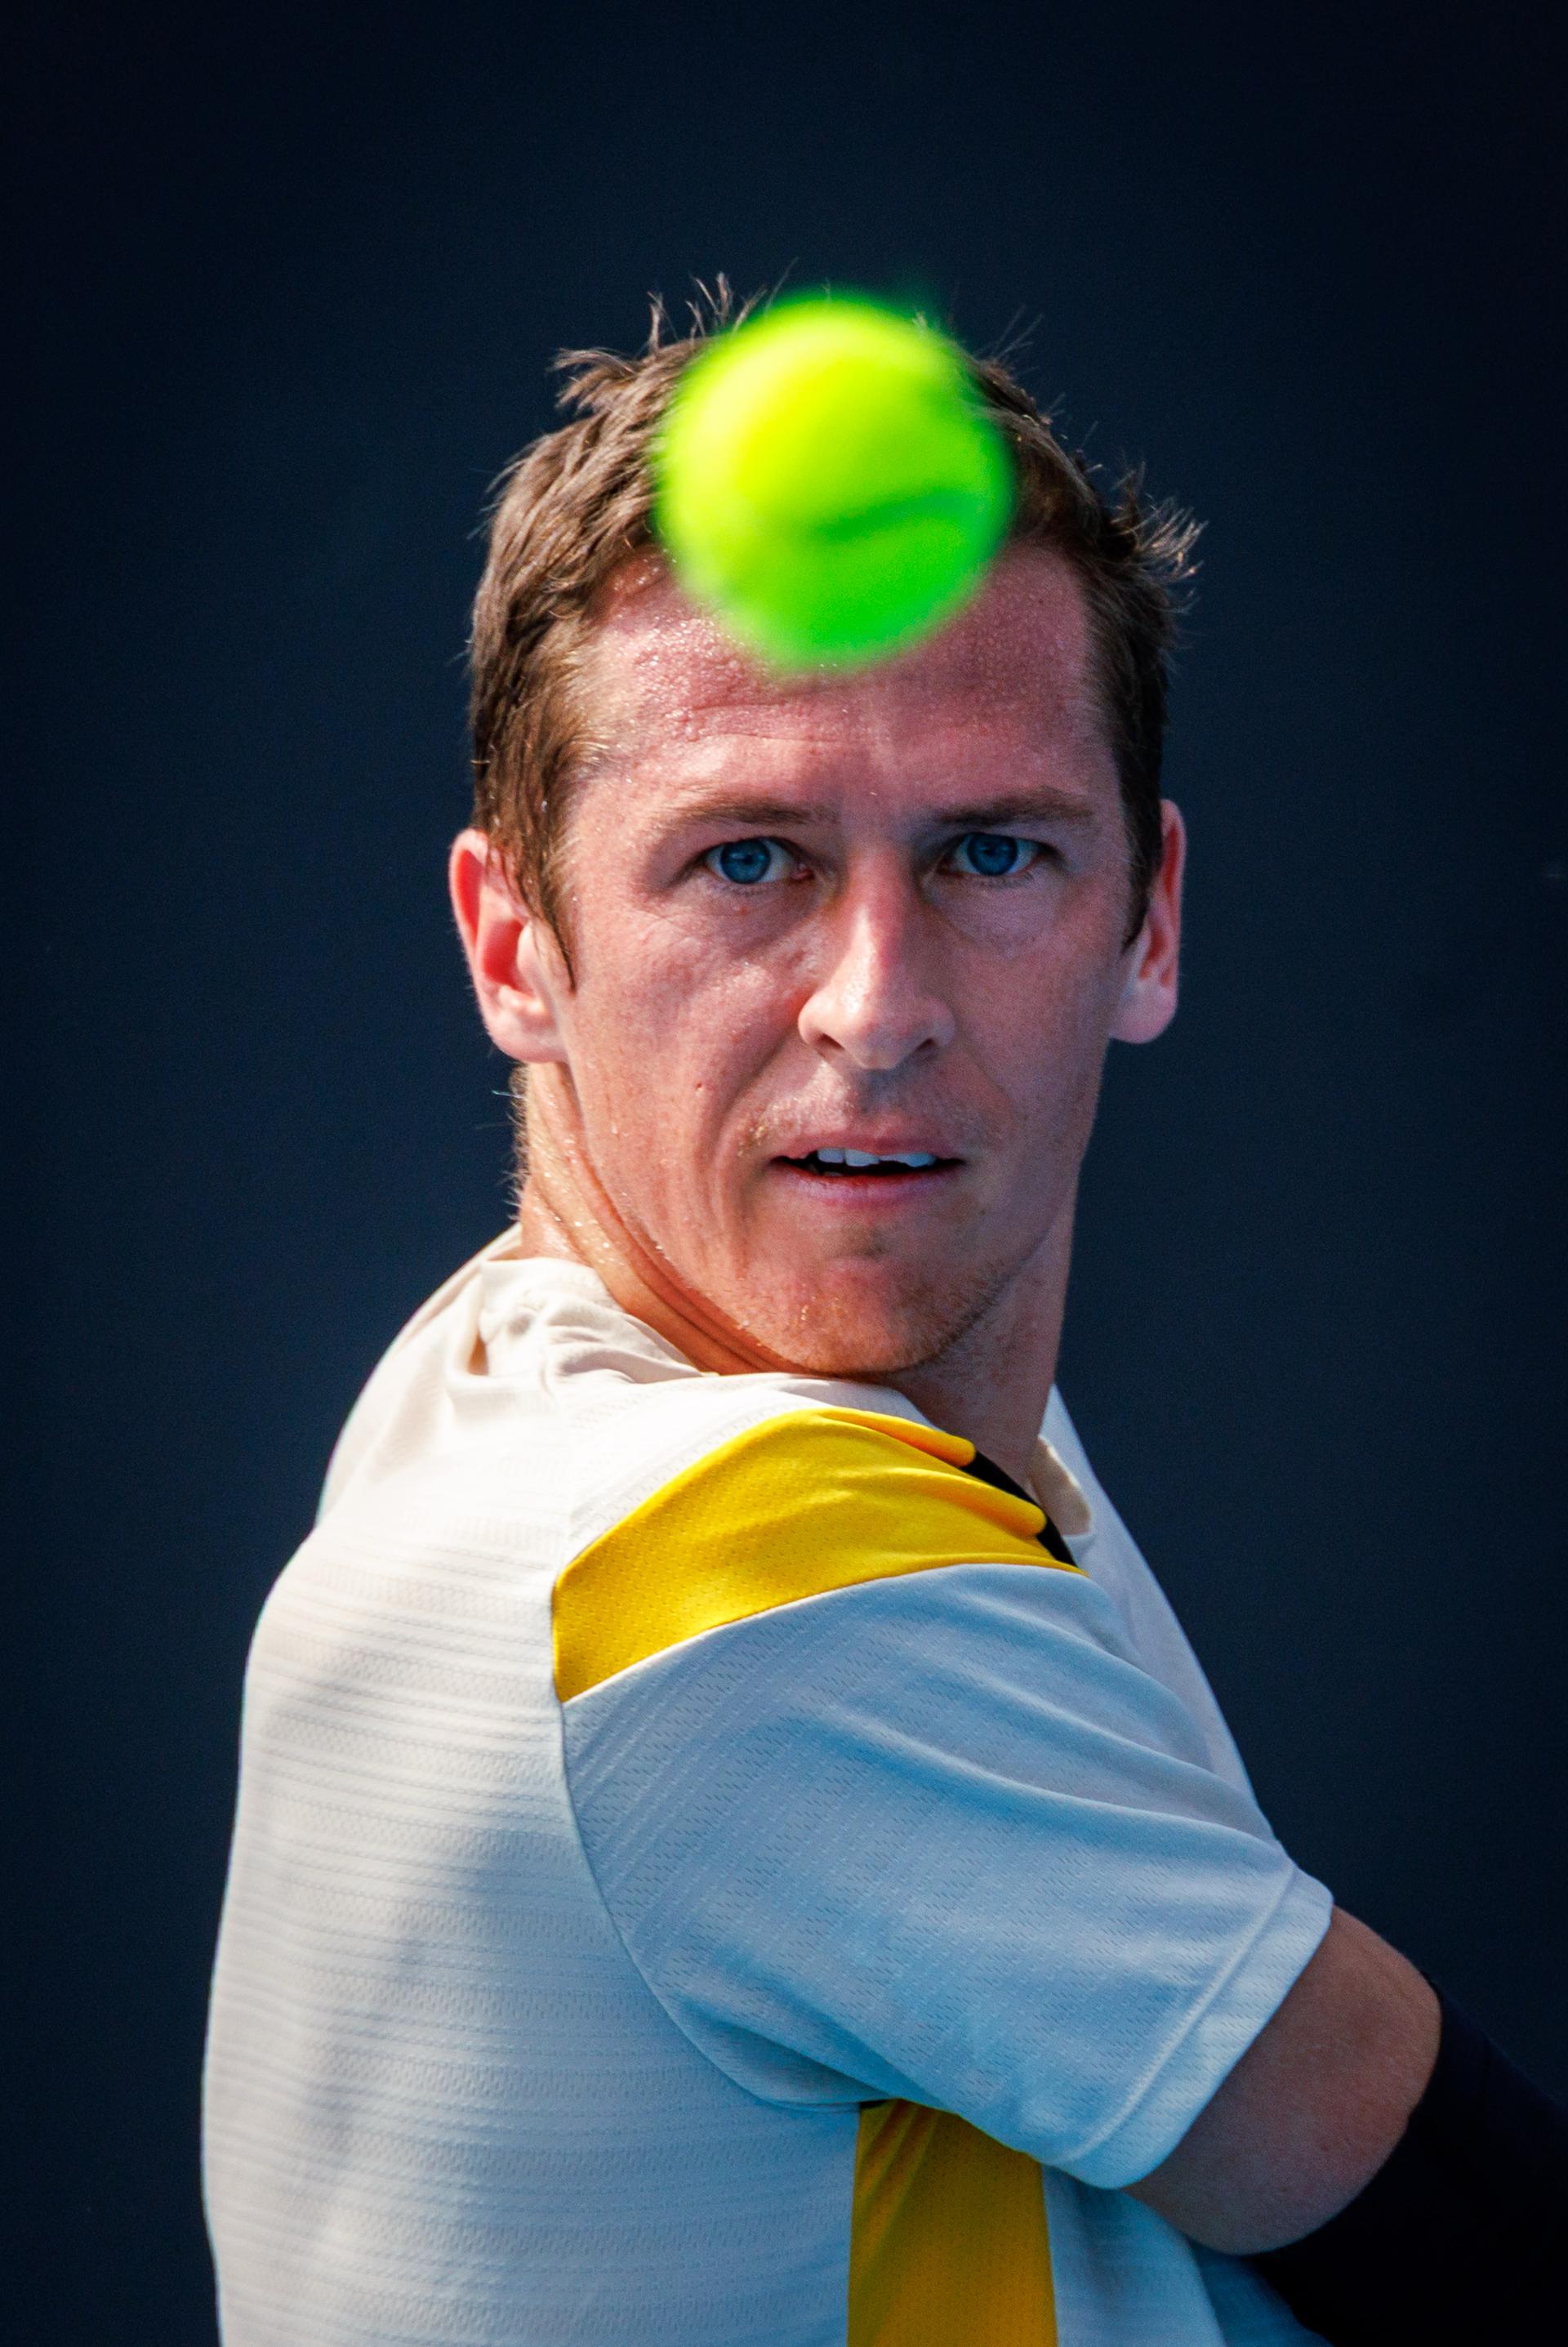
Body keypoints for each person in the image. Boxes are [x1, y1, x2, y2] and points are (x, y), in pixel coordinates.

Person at [203, 298, 1561, 2346]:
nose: (877, 1004)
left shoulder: (489, 1389)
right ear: (516, 948)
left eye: (992, 854)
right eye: (745, 861)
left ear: (1150, 919)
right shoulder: (746, 1568)